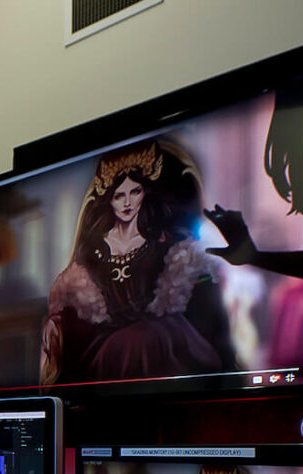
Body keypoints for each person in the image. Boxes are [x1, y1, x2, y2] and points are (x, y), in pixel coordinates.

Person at [41, 140, 237, 387]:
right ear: (108, 199)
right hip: (106, 365)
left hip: (164, 352)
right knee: (138, 339)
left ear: (145, 193)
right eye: (119, 195)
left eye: (135, 192)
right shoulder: (89, 257)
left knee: (150, 335)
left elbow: (206, 317)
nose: (127, 203)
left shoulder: (166, 248)